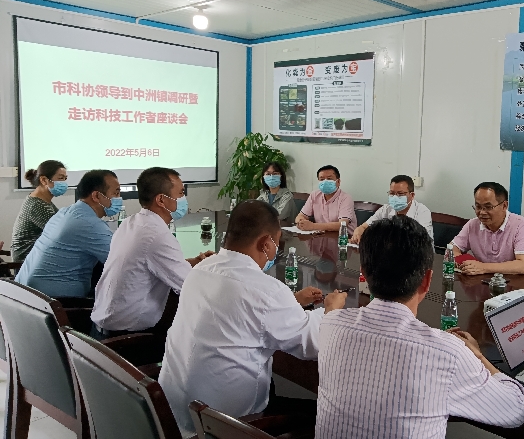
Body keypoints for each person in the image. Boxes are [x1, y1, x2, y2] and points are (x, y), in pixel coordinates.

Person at [316, 217, 524, 438]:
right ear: (427, 280)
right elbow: (517, 409)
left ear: (364, 273)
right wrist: (478, 356)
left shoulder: (330, 324)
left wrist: (332, 310)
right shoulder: (448, 352)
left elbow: (333, 318)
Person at [159, 200, 347, 436]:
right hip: (225, 424)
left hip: (176, 412)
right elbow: (312, 344)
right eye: (276, 242)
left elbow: (238, 309)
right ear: (265, 243)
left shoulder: (201, 269)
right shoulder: (266, 291)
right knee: (322, 415)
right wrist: (332, 309)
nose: (276, 249)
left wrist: (291, 301)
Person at [90, 167, 214, 341]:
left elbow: (151, 265)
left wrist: (195, 262)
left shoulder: (131, 222)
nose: (183, 199)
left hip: (102, 328)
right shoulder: (156, 234)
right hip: (126, 340)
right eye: (180, 193)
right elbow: (190, 286)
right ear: (161, 200)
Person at [15, 170, 120, 297]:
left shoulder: (65, 212)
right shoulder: (89, 223)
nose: (119, 198)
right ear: (96, 196)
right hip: (53, 300)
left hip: (24, 292)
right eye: (116, 193)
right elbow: (121, 260)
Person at [451, 182, 524, 275]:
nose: (482, 212)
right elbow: (452, 248)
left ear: (504, 206)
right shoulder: (472, 224)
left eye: (488, 207)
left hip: (516, 281)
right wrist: (460, 261)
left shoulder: (521, 225)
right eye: (478, 207)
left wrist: (483, 267)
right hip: (483, 280)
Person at [350, 174, 433, 244]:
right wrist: (358, 231)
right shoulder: (386, 209)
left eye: (400, 194)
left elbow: (423, 241)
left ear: (412, 195)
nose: (395, 197)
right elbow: (365, 226)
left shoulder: (422, 212)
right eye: (392, 193)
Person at [11, 160, 68, 261]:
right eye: (60, 178)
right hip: (28, 262)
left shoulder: (43, 201)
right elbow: (60, 234)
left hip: (40, 257)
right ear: (44, 180)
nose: (64, 183)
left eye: (65, 179)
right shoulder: (36, 205)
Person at [295, 165, 357, 235]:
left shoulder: (346, 198)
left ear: (338, 182)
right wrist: (301, 222)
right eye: (322, 179)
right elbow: (301, 215)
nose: (325, 182)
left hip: (343, 238)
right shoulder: (314, 195)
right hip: (321, 236)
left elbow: (342, 225)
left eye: (329, 179)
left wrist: (313, 226)